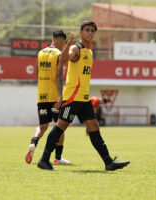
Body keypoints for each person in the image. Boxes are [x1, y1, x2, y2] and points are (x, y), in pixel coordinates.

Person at [37, 21, 130, 171]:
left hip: (83, 98)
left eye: (93, 30)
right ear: (81, 32)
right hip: (72, 97)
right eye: (87, 30)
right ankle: (43, 160)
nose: (90, 33)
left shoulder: (89, 51)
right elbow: (63, 59)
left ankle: (108, 162)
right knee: (60, 127)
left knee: (94, 127)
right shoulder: (76, 48)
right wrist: (70, 42)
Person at [24, 30, 75, 165]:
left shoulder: (40, 53)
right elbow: (58, 76)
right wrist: (60, 96)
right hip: (54, 97)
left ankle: (33, 143)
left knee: (42, 126)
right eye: (64, 43)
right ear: (60, 41)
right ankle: (58, 157)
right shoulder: (58, 54)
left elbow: (37, 73)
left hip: (41, 96)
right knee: (60, 126)